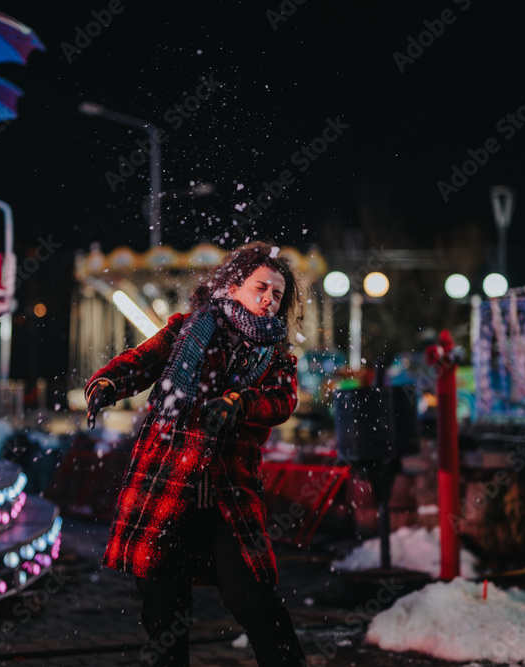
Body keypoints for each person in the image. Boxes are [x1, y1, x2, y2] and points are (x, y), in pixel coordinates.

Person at [85, 241, 307, 667]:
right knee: (164, 616)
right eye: (261, 287)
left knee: (259, 606)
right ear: (234, 286)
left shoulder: (277, 357)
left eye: (277, 295)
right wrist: (109, 382)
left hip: (228, 501)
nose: (268, 300)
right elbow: (143, 362)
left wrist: (240, 402)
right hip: (165, 490)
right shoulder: (189, 328)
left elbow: (281, 401)